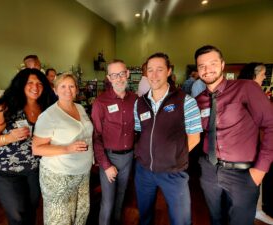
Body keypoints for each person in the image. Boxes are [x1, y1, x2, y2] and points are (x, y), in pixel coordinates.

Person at [194, 45, 273, 225]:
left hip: (242, 173)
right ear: (198, 70)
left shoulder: (246, 88)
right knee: (216, 219)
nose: (207, 69)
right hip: (209, 170)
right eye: (202, 66)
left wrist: (260, 170)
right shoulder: (199, 100)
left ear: (222, 65)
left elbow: (271, 125)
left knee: (240, 221)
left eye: (212, 63)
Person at [134, 52, 202, 225]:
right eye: (150, 70)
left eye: (159, 69)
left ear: (169, 71)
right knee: (145, 216)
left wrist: (174, 157)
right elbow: (141, 132)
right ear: (145, 73)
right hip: (144, 172)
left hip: (173, 172)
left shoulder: (186, 101)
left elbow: (194, 138)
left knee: (181, 220)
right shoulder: (139, 103)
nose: (154, 75)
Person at [0, 68, 53, 225]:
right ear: (21, 85)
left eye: (40, 84)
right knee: (18, 214)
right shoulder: (6, 108)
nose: (35, 87)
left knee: (32, 208)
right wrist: (8, 137)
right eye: (30, 83)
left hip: (34, 168)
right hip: (5, 171)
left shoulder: (45, 107)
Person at [32, 73, 93, 225]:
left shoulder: (79, 107)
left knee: (81, 214)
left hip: (82, 173)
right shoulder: (48, 116)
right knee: (60, 219)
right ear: (55, 90)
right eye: (63, 86)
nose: (68, 90)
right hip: (58, 176)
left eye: (71, 86)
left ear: (76, 89)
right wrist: (67, 149)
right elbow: (37, 149)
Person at [91, 59, 137, 225]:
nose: (119, 78)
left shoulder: (135, 100)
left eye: (122, 73)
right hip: (109, 158)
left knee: (121, 196)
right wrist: (105, 165)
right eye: (114, 75)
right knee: (108, 201)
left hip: (129, 157)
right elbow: (95, 136)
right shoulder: (100, 103)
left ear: (127, 74)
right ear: (109, 78)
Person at [238, 62, 273, 224]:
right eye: (263, 73)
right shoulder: (250, 89)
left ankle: (256, 209)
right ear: (254, 74)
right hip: (249, 143)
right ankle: (255, 210)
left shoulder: (249, 88)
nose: (265, 76)